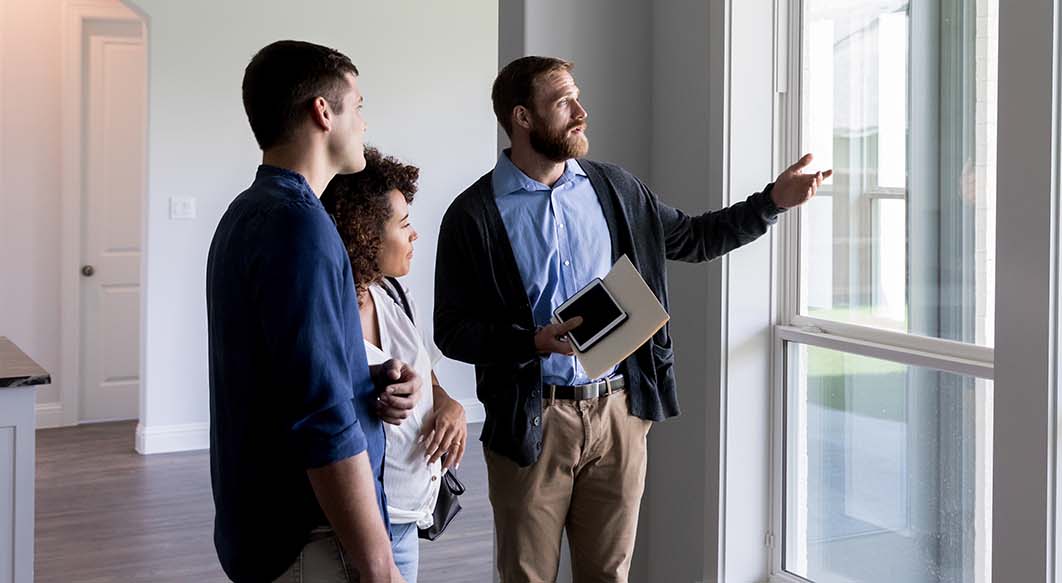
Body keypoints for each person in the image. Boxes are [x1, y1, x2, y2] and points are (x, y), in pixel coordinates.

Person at [434, 55, 830, 583]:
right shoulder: (474, 213)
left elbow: (694, 237)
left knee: (610, 575)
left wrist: (772, 202)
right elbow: (452, 328)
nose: (580, 111)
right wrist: (531, 341)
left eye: (577, 97)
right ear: (522, 118)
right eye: (562, 102)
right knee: (526, 576)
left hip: (620, 413)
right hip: (532, 420)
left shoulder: (616, 189)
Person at [207, 40, 419, 583]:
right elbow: (319, 416)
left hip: (259, 528)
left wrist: (364, 375)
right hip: (311, 539)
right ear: (323, 112)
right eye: (360, 106)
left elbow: (276, 370)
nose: (366, 125)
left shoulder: (248, 212)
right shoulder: (301, 226)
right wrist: (379, 566)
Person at [323, 147, 471, 583]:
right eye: (403, 225)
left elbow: (427, 371)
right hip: (355, 531)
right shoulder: (331, 312)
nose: (414, 236)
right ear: (365, 233)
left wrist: (447, 403)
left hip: (407, 521)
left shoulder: (391, 294)